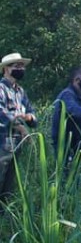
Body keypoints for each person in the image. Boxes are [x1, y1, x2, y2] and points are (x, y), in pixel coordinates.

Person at [0, 52, 37, 204]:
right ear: (6, 69)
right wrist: (19, 126)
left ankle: (3, 219)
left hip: (17, 145)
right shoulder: (1, 89)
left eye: (22, 66)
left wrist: (29, 118)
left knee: (9, 185)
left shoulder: (20, 91)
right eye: (17, 66)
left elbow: (32, 113)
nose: (21, 69)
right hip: (2, 144)